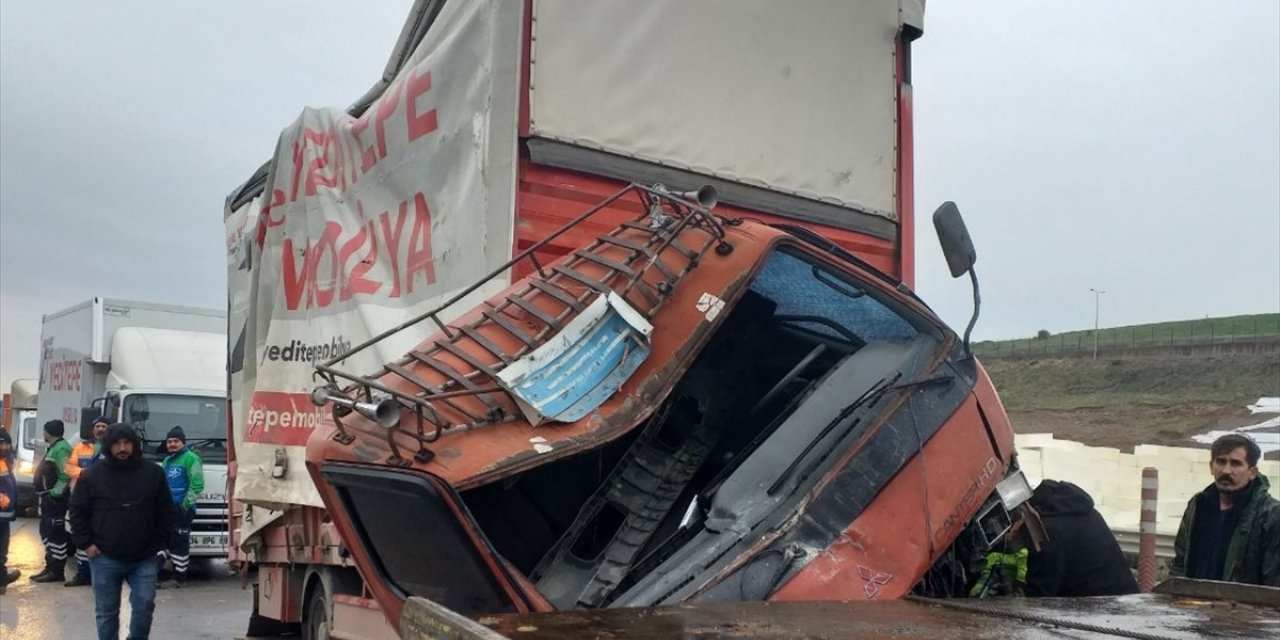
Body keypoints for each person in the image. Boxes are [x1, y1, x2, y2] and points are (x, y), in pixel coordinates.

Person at [70, 423, 173, 640]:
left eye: (127, 443)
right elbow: (77, 511)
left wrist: (160, 546)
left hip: (145, 557)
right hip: (104, 556)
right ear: (109, 446)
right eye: (117, 444)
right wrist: (86, 544)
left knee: (144, 607)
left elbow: (165, 511)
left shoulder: (153, 473)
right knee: (107, 613)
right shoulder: (92, 476)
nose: (122, 448)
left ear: (135, 445)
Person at [971, 480, 1137, 597]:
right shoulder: (1069, 509)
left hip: (1103, 614)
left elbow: (1039, 599)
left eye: (1007, 531)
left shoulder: (1047, 535)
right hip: (1124, 600)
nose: (1010, 538)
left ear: (1016, 520)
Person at [1171, 434, 1279, 586]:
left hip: (1243, 608)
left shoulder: (1270, 514)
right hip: (1193, 605)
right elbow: (1180, 562)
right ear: (1211, 467)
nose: (1226, 470)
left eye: (1236, 464)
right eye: (1221, 462)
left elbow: (1274, 581)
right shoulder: (1198, 506)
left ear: (1252, 472)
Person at [64, 415, 111, 587]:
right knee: (82, 536)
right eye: (97, 426)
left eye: (104, 426)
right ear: (92, 430)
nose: (100, 429)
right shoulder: (81, 447)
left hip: (105, 501)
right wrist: (84, 473)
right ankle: (83, 574)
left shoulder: (112, 448)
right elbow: (68, 468)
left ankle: (102, 575)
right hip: (82, 498)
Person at [159, 425, 203, 588]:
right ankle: (163, 573)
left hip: (182, 511)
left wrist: (185, 506)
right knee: (164, 541)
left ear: (183, 442)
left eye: (175, 441)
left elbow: (197, 485)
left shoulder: (191, 459)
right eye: (169, 441)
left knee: (179, 543)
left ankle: (179, 578)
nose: (171, 444)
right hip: (167, 510)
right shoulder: (167, 461)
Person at [31, 418, 73, 583]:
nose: (43, 433)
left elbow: (65, 474)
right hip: (48, 497)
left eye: (44, 431)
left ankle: (57, 570)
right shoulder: (55, 447)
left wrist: (54, 494)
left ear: (48, 432)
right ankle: (50, 566)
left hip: (55, 500)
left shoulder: (61, 449)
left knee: (55, 533)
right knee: (47, 532)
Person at [1, 426, 22, 594]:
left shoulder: (4, 461)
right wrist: (4, 500)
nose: (5, 447)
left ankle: (1, 578)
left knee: (2, 546)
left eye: (7, 443)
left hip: (4, 515)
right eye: (1, 443)